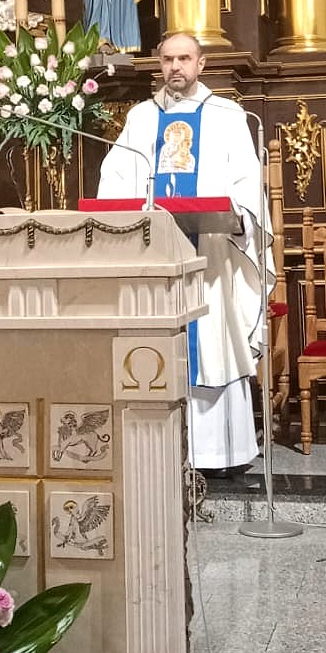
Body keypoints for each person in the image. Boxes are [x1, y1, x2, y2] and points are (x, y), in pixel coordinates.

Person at [97, 33, 271, 476]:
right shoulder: (141, 118)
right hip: (155, 256)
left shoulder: (227, 115)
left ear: (201, 63)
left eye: (184, 58)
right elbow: (116, 176)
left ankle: (218, 455)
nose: (175, 67)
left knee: (213, 343)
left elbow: (247, 179)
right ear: (159, 64)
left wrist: (240, 217)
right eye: (168, 59)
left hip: (210, 253)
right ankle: (157, 450)